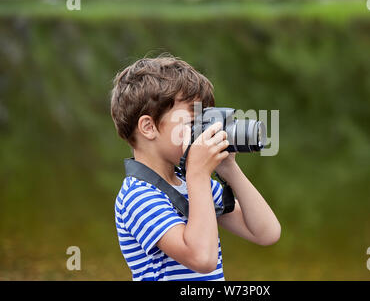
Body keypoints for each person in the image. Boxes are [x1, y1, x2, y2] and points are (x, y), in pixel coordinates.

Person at [110, 55, 280, 281]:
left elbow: (266, 232)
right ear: (149, 127)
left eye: (205, 120)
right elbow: (202, 259)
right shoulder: (138, 196)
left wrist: (228, 169)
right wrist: (198, 173)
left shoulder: (191, 182)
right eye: (193, 121)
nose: (203, 131)